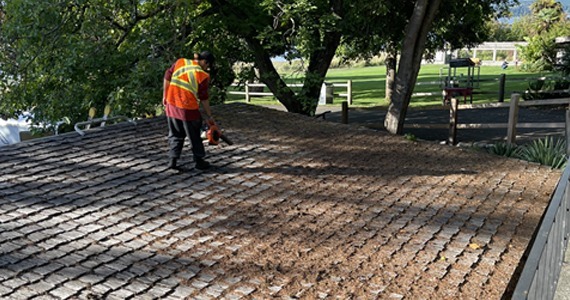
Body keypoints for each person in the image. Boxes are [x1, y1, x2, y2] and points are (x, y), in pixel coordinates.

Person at [163, 51, 217, 171]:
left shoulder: (180, 62)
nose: (207, 68)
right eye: (207, 65)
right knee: (194, 136)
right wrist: (209, 116)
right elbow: (203, 98)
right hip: (188, 108)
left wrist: (165, 96)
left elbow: (167, 75)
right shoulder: (202, 75)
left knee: (175, 134)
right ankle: (199, 162)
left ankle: (172, 161)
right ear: (204, 62)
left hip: (171, 104)